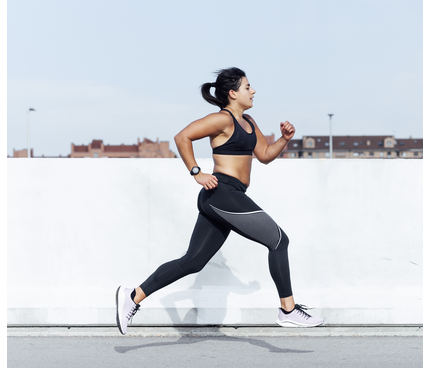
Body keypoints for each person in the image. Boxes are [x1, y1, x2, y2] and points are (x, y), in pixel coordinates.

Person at [115, 67, 323, 335]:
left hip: (227, 196)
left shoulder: (249, 122)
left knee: (192, 262)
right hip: (221, 192)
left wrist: (284, 139)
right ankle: (288, 310)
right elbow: (182, 137)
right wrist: (196, 172)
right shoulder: (222, 120)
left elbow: (265, 154)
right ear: (233, 93)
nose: (254, 91)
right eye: (248, 87)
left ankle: (132, 296)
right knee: (279, 240)